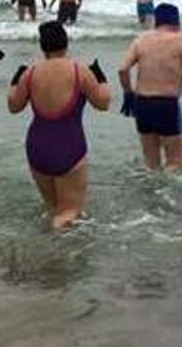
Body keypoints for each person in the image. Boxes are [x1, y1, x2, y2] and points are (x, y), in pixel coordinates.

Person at [7, 21, 112, 229]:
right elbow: (103, 103)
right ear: (66, 43)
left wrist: (15, 80)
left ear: (42, 46)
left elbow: (13, 106)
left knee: (53, 209)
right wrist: (100, 76)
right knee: (69, 212)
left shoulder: (30, 73)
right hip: (68, 145)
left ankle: (49, 257)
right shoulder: (80, 71)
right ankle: (58, 258)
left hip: (37, 147)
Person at [118, 2, 182, 171]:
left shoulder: (140, 40)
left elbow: (122, 69)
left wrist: (128, 93)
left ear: (157, 21)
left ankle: (150, 196)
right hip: (167, 106)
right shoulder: (179, 40)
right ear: (176, 22)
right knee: (175, 163)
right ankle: (169, 197)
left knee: (151, 165)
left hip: (142, 104)